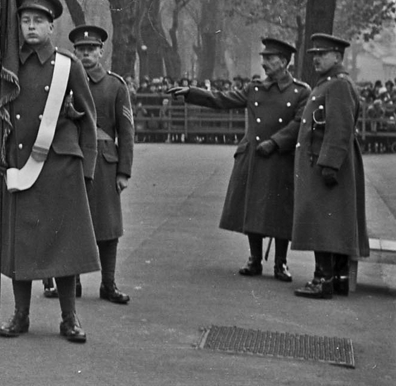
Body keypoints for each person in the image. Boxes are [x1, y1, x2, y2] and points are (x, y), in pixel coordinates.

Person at [0, 0, 99, 343]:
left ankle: (69, 318)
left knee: (62, 246)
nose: (31, 27)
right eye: (25, 20)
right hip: (21, 165)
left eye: (38, 21)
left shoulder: (68, 65)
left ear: (51, 26)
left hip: (60, 168)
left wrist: (88, 172)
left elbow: (89, 122)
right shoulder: (9, 65)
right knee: (21, 243)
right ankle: (20, 315)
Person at [167, 38, 310, 281]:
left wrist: (276, 142)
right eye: (263, 58)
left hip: (280, 157)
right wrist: (192, 93)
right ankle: (254, 259)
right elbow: (222, 99)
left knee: (281, 210)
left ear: (284, 62)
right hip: (254, 155)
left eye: (269, 58)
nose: (263, 62)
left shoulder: (300, 91)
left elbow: (299, 123)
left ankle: (280, 262)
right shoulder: (255, 89)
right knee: (252, 206)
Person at [292, 33, 368, 299]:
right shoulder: (331, 83)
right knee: (329, 221)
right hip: (326, 161)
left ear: (337, 56)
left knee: (323, 222)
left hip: (328, 164)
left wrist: (330, 165)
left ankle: (323, 279)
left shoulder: (337, 85)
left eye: (322, 54)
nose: (316, 58)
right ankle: (335, 279)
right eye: (313, 54)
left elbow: (340, 128)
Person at [69, 25, 134, 304]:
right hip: (73, 159)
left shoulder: (115, 85)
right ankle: (72, 283)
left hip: (106, 164)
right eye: (81, 50)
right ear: (75, 52)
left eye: (91, 49)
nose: (86, 54)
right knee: (74, 224)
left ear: (101, 51)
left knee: (108, 227)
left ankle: (108, 283)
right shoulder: (66, 83)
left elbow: (127, 131)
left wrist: (124, 172)